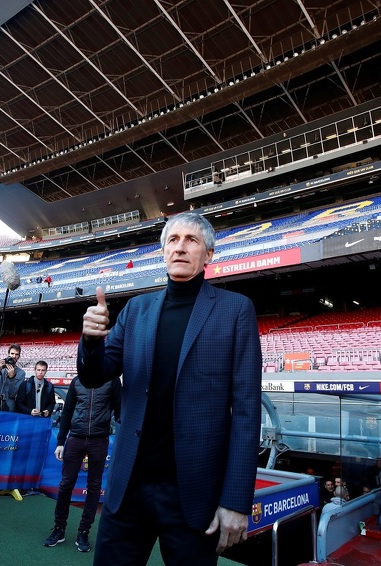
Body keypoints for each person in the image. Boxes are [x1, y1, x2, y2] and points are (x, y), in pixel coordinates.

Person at [78, 211, 262, 564]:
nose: (180, 248)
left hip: (193, 494)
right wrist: (90, 340)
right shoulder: (136, 310)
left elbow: (247, 410)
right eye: (173, 240)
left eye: (191, 240)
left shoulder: (236, 310)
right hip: (128, 488)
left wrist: (236, 500)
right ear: (163, 251)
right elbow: (94, 375)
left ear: (208, 255)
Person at [44, 375, 120, 552]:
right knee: (65, 484)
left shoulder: (112, 380)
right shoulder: (77, 381)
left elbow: (120, 411)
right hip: (75, 438)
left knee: (94, 486)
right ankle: (59, 528)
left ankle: (84, 531)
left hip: (99, 440)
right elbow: (67, 411)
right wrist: (61, 441)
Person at [0, 344, 25, 411]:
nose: (14, 356)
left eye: (17, 354)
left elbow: (12, 394)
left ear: (19, 356)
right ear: (8, 354)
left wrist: (12, 378)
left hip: (8, 405)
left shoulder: (21, 373)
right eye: (12, 353)